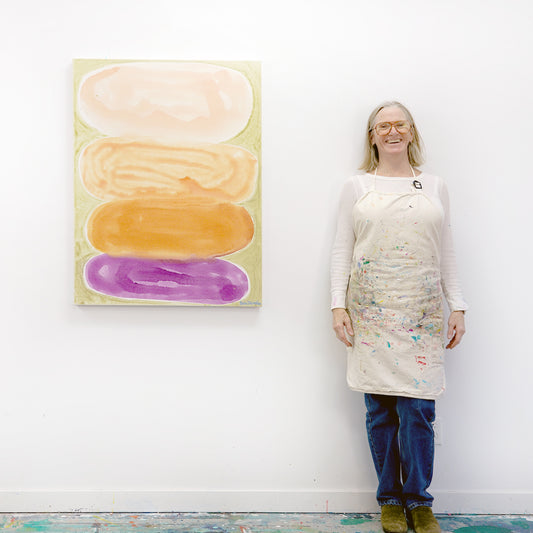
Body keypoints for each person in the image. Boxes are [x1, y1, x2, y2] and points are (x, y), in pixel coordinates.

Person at [330, 102, 467, 533]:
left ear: (411, 132)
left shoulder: (434, 185)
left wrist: (458, 304)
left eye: (399, 124)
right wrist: (337, 305)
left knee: (418, 412)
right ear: (372, 136)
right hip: (372, 314)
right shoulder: (357, 186)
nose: (392, 131)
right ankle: (390, 499)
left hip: (421, 314)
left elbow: (446, 249)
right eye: (383, 126)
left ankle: (420, 502)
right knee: (380, 412)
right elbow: (342, 249)